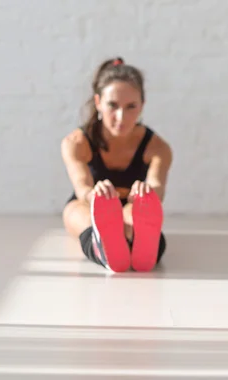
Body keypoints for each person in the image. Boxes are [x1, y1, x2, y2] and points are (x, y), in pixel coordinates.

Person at [61, 57, 172, 273]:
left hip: (132, 206)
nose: (121, 117)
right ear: (98, 102)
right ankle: (104, 246)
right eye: (113, 105)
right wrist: (96, 196)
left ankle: (139, 245)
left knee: (132, 215)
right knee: (76, 212)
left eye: (131, 107)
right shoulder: (75, 143)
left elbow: (157, 186)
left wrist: (148, 193)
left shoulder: (158, 148)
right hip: (89, 204)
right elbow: (81, 186)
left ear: (142, 106)